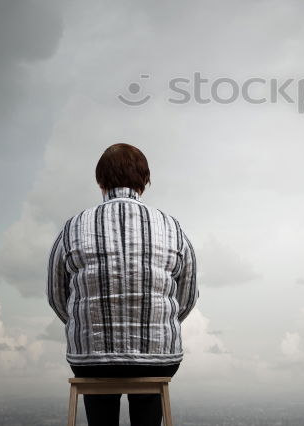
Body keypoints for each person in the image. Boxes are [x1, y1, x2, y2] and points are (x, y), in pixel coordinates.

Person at [46, 143, 198, 426]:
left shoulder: (72, 226)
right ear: (144, 181)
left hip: (91, 360)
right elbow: (187, 297)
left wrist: (87, 326)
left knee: (96, 377)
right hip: (158, 360)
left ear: (100, 181)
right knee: (151, 382)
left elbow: (57, 296)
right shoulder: (172, 227)